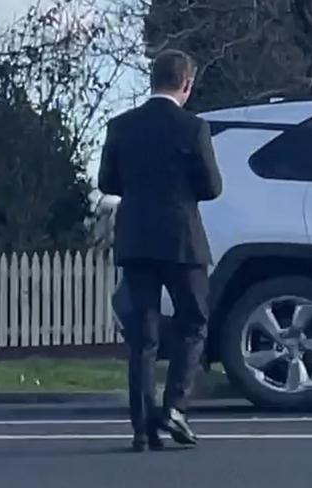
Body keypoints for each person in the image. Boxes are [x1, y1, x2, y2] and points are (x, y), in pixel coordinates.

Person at [98, 49, 222, 452]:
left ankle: (141, 426)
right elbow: (211, 188)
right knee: (193, 323)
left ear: (152, 80)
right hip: (181, 239)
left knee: (143, 336)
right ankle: (174, 407)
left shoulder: (121, 126)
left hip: (135, 238)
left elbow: (107, 182)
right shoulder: (193, 128)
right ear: (186, 83)